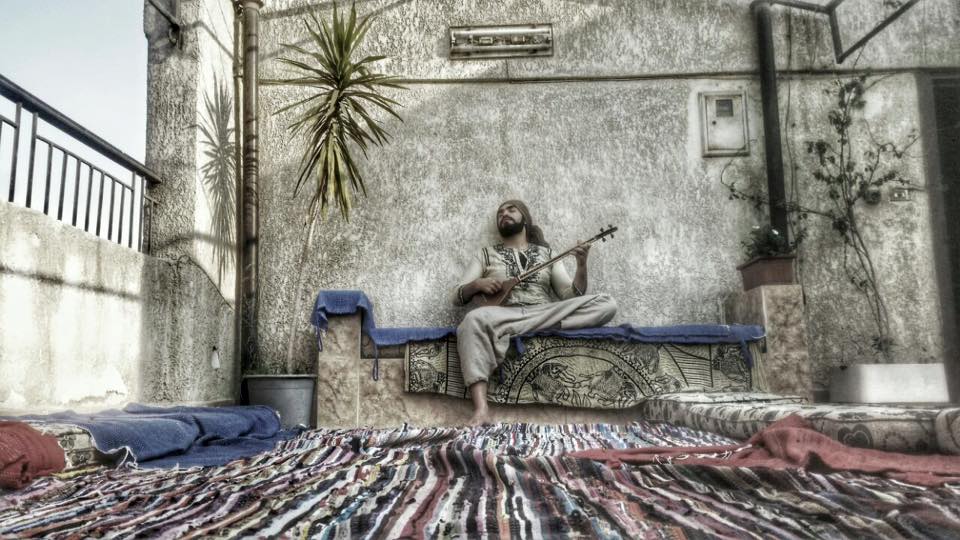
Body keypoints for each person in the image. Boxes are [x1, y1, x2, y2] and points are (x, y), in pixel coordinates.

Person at [452, 200, 618, 426]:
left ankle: (540, 325)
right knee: (471, 320)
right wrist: (477, 285)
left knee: (607, 304)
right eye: (500, 212)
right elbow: (456, 296)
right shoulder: (485, 255)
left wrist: (581, 265)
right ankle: (481, 409)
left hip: (544, 312)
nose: (504, 213)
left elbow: (570, 295)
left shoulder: (548, 254)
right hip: (505, 316)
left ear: (525, 219)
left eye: (511, 209)